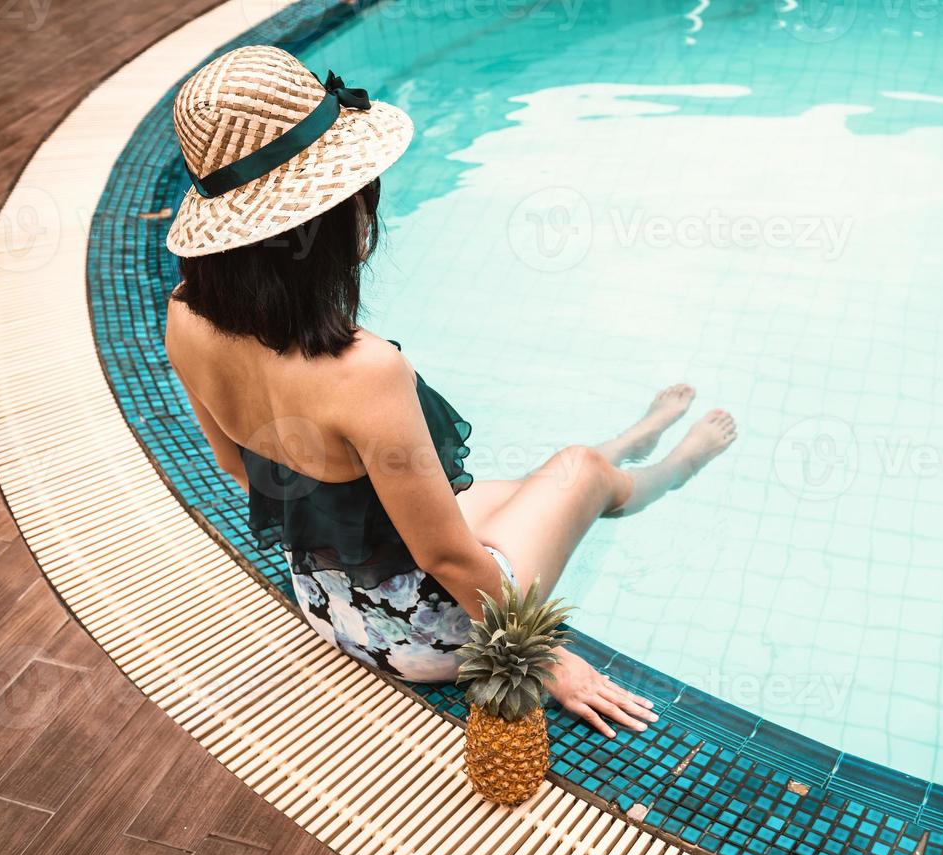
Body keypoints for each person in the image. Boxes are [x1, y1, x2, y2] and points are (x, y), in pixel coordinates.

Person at [162, 46, 735, 737]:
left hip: (328, 603)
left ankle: (628, 443)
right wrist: (545, 659)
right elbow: (443, 557)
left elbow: (238, 466)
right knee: (582, 472)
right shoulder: (363, 370)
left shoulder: (184, 314)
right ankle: (672, 467)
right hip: (424, 641)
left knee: (528, 485)